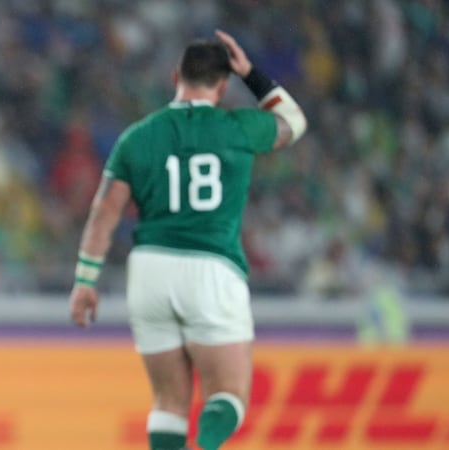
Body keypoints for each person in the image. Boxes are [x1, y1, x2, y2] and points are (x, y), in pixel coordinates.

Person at [69, 29, 306, 450]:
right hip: (212, 268)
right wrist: (252, 75)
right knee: (228, 396)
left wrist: (85, 280)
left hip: (150, 270)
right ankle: (211, 433)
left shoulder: (138, 136)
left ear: (176, 75)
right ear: (223, 83)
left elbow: (105, 212)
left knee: (168, 402)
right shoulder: (239, 127)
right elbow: (295, 122)